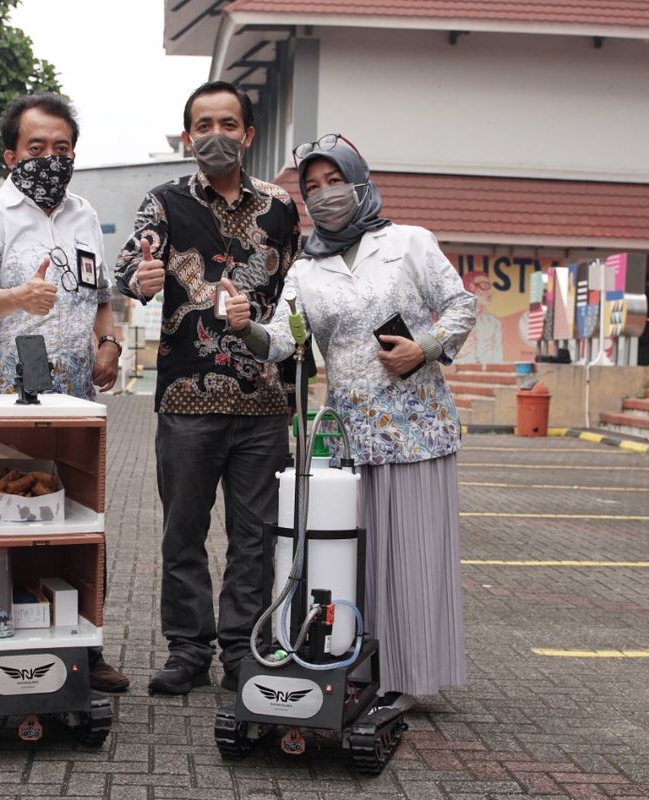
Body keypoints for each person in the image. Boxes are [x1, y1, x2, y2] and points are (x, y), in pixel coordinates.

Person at [224, 134, 476, 711]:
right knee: (356, 558)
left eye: (333, 181)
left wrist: (427, 347)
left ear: (358, 180)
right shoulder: (306, 270)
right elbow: (285, 343)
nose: (323, 196)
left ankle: (410, 680)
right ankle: (361, 663)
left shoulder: (408, 242)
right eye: (311, 188)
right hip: (350, 438)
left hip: (418, 428)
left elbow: (461, 304)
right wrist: (244, 326)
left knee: (411, 557)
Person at [115, 81, 300, 695]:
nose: (214, 135)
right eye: (203, 124)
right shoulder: (164, 202)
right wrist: (140, 278)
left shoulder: (281, 208)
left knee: (256, 535)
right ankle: (187, 649)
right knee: (183, 532)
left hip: (265, 401)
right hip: (187, 398)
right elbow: (130, 267)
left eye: (228, 123)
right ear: (187, 134)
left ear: (247, 135)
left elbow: (298, 295)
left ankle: (243, 650)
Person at [0, 92, 129, 692]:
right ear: (9, 154)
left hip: (75, 403)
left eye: (62, 148)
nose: (50, 158)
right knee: (6, 522)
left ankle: (86, 644)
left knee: (80, 520)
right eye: (36, 147)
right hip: (3, 400)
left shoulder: (84, 216)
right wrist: (19, 298)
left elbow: (101, 300)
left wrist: (109, 345)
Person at [455, 270, 503, 363]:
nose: (490, 292)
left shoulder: (494, 322)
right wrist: (457, 354)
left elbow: (498, 357)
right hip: (459, 373)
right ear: (471, 287)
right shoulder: (452, 320)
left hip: (487, 374)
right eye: (485, 286)